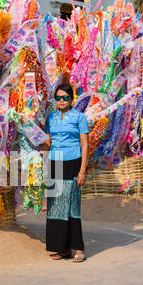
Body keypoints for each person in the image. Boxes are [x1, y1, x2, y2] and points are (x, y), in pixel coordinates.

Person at [44, 82, 89, 262]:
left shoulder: (79, 117)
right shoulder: (51, 118)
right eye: (58, 98)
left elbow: (84, 144)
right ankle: (61, 248)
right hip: (55, 163)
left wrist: (82, 170)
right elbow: (47, 141)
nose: (61, 101)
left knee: (71, 205)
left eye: (65, 97)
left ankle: (78, 247)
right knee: (55, 207)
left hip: (72, 162)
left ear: (71, 99)